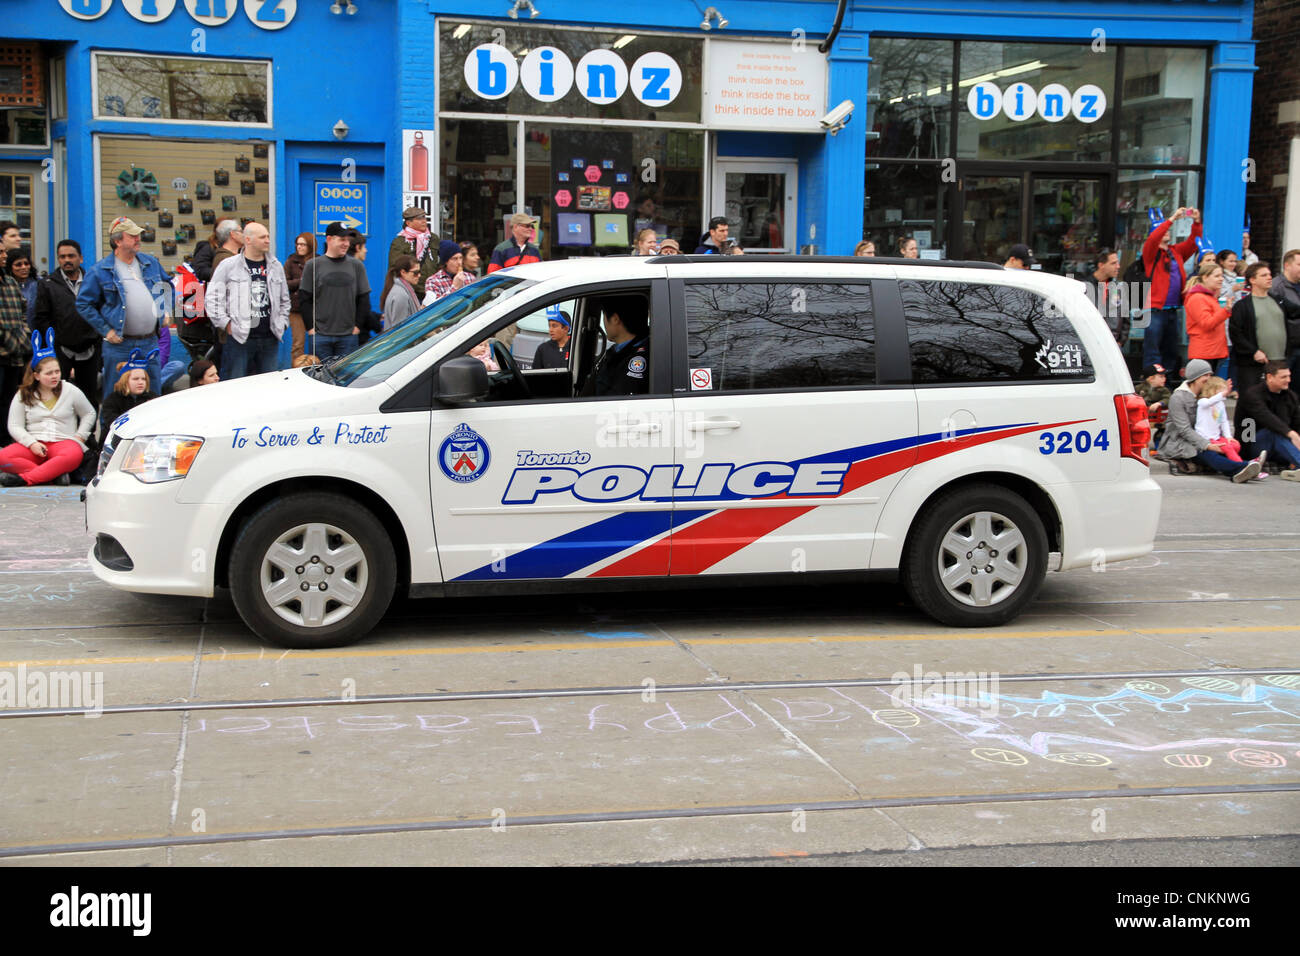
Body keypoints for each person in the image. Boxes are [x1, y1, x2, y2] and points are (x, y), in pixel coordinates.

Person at [75, 216, 170, 400]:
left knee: (153, 394)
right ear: (117, 241)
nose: (138, 239)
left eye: (138, 235)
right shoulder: (100, 270)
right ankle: (109, 429)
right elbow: (83, 303)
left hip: (150, 342)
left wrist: (163, 310)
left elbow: (167, 285)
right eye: (132, 235)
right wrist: (106, 330)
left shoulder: (150, 263)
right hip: (119, 345)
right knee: (115, 395)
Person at [0, 333, 95, 487]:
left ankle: (26, 479)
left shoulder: (69, 389)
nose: (54, 376)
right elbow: (14, 425)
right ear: (36, 376)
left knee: (73, 455)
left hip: (63, 443)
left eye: (57, 371)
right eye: (49, 373)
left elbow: (89, 413)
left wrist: (80, 436)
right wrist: (31, 443)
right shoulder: (23, 393)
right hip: (34, 445)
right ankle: (53, 474)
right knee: (2, 457)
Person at [207, 221, 289, 379]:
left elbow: (284, 299)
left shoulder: (275, 266)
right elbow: (212, 298)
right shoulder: (228, 265)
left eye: (268, 236)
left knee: (267, 386)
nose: (267, 240)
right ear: (248, 240)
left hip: (269, 337)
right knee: (235, 386)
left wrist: (282, 323)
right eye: (262, 237)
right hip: (240, 338)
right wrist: (227, 324)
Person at [1161, 357, 1263, 482]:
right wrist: (1207, 445)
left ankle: (1246, 468)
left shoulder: (1208, 395)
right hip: (1181, 441)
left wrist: (1224, 438)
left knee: (1227, 447)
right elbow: (1184, 430)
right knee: (1206, 453)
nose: (1209, 379)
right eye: (1205, 375)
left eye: (1210, 375)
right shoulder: (1178, 397)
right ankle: (1242, 467)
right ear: (1195, 378)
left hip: (1205, 437)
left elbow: (1219, 419)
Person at [33, 240, 100, 408]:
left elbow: (102, 312)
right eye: (62, 257)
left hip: (90, 348)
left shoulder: (94, 282)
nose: (66, 260)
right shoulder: (47, 284)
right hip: (61, 350)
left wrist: (97, 337)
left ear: (81, 258)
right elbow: (41, 318)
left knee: (88, 397)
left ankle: (88, 434)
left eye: (71, 256)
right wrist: (53, 344)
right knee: (58, 397)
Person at [1141, 207, 1202, 376]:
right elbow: (1153, 239)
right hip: (1154, 310)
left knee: (1170, 350)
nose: (1167, 231)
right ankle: (1152, 383)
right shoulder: (1151, 252)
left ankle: (1165, 383)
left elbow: (1193, 242)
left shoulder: (1175, 251)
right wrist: (1172, 218)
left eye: (1168, 230)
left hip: (1172, 310)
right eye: (1164, 230)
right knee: (1153, 351)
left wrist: (1196, 222)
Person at [297, 221, 369, 363]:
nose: (346, 244)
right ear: (329, 239)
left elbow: (363, 298)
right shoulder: (313, 265)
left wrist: (357, 327)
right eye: (342, 239)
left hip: (348, 337)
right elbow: (304, 299)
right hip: (320, 336)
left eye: (348, 240)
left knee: (346, 380)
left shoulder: (357, 266)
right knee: (321, 378)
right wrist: (311, 329)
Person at [1229, 262, 1300, 391]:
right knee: (1252, 398)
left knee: (1277, 399)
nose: (1269, 278)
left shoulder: (1278, 299)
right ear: (1252, 280)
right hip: (1254, 363)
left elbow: (1296, 312)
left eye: (1269, 274)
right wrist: (1253, 351)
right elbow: (1236, 333)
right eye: (1264, 275)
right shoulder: (1242, 305)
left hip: (1279, 361)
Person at [1234, 361, 1300, 479]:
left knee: (1283, 434)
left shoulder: (1290, 396)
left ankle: (1295, 467)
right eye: (1283, 377)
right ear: (1270, 377)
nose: (1288, 380)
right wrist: (1291, 434)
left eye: (1289, 376)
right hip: (1251, 445)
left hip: (1281, 446)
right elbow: (1266, 417)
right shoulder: (1252, 394)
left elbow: (1297, 423)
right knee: (1273, 432)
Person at [0, 245, 31, 446]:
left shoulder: (9, 282)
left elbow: (22, 313)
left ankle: (6, 446)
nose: (5, 255)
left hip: (15, 354)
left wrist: (24, 336)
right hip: (3, 350)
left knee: (9, 403)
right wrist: (11, 340)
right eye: (1, 252)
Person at [588, 294, 649, 396]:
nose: (603, 322)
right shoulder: (618, 350)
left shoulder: (640, 358)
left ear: (615, 319)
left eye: (604, 315)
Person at [1183, 260, 1231, 380]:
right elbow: (1207, 323)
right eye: (1217, 276)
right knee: (1203, 392)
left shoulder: (1209, 297)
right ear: (1205, 277)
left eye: (1222, 276)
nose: (1221, 279)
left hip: (1213, 351)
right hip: (1204, 353)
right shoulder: (1197, 298)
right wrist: (1226, 311)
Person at [98, 356, 158, 438]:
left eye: (143, 379)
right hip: (118, 439)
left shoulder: (153, 398)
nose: (140, 382)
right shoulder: (112, 400)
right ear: (125, 381)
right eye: (135, 379)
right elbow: (113, 423)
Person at [1081, 248, 1128, 345]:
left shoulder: (1117, 288)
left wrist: (1121, 341)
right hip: (1091, 344)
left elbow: (1125, 316)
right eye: (1113, 263)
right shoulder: (1084, 288)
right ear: (1101, 265)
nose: (1118, 266)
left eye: (1117, 263)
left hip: (1113, 344)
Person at [1194, 376, 1244, 465]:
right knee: (1228, 448)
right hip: (1206, 438)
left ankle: (1232, 460)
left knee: (1236, 445)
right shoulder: (1202, 401)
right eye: (1222, 390)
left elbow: (1224, 421)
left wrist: (1228, 437)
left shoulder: (1220, 404)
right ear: (1213, 390)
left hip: (1217, 438)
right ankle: (1241, 465)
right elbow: (1209, 402)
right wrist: (1222, 395)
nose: (1225, 394)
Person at [284, 232, 315, 363]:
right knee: (298, 343)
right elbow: (284, 283)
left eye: (303, 244)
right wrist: (302, 281)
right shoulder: (291, 261)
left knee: (318, 342)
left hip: (315, 307)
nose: (299, 247)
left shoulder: (318, 261)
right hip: (296, 309)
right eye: (298, 244)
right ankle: (296, 371)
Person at [388, 206, 438, 286]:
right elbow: (395, 269)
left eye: (424, 218)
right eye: (419, 219)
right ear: (408, 223)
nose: (424, 221)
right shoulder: (400, 242)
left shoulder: (432, 238)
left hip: (432, 288)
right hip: (413, 289)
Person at [381, 255, 422, 331]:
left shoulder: (403, 290)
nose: (419, 275)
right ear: (403, 272)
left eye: (419, 271)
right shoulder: (400, 295)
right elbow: (400, 330)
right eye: (415, 272)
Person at [1136, 363, 1171, 448]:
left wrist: (1160, 403)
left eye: (1164, 376)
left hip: (1158, 418)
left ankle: (1159, 446)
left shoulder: (1164, 390)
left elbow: (1168, 398)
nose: (1164, 379)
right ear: (1151, 379)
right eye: (1161, 377)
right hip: (1142, 416)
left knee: (1161, 431)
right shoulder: (1139, 388)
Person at [6, 249, 38, 328]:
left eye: (26, 264)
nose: (24, 267)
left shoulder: (39, 283)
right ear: (10, 267)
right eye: (18, 265)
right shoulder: (6, 286)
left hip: (38, 332)